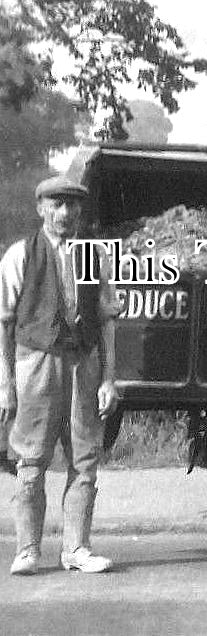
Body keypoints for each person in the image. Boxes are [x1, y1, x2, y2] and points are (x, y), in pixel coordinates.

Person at [0, 175, 120, 575]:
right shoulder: (20, 255)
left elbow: (106, 321)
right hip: (36, 364)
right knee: (31, 459)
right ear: (41, 208)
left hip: (82, 364)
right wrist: (6, 385)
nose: (65, 212)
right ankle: (28, 550)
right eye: (57, 204)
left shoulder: (94, 256)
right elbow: (4, 323)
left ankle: (77, 549)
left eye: (72, 205)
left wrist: (108, 378)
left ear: (80, 210)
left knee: (85, 458)